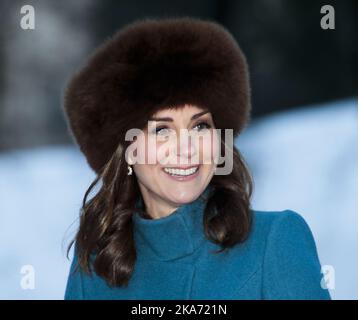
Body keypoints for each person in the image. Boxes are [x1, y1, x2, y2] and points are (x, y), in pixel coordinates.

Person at [62, 17, 331, 300]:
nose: (186, 148)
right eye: (162, 130)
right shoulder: (95, 268)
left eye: (200, 126)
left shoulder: (275, 243)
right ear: (128, 149)